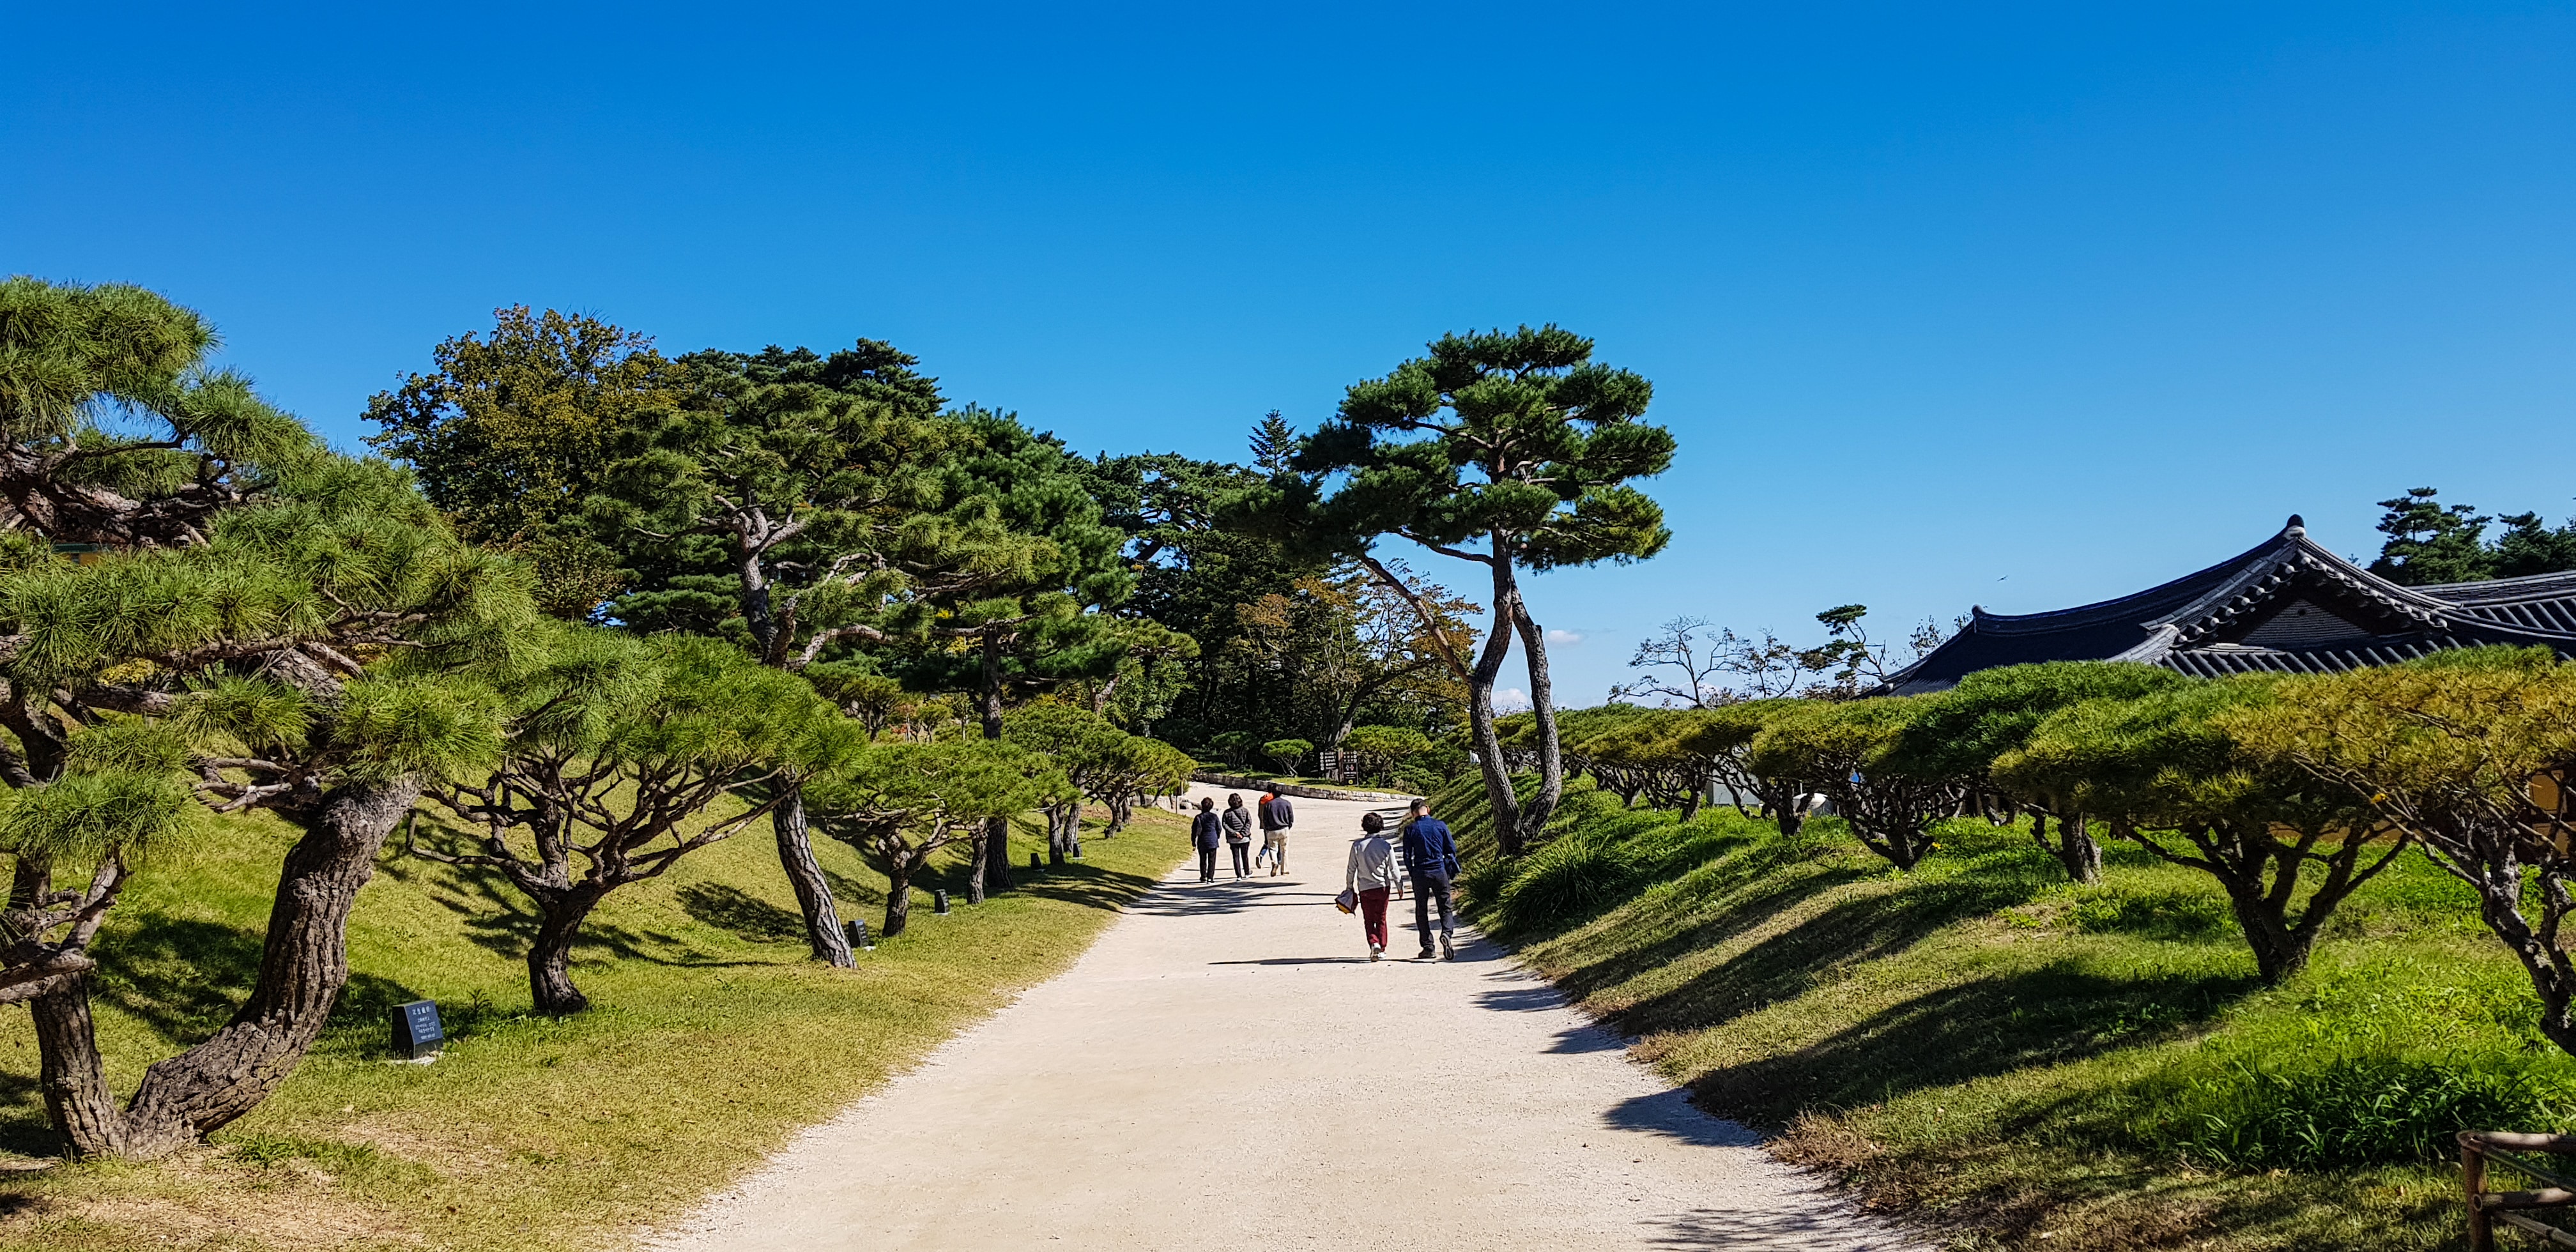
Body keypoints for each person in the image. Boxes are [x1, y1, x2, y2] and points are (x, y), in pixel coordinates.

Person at [1399, 797, 1460, 960]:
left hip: (1420, 872)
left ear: (1413, 814)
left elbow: (1406, 855)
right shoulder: (1440, 825)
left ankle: (1428, 947)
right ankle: (1447, 933)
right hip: (1439, 871)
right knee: (1445, 906)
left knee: (1422, 909)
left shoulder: (1411, 829)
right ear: (1428, 809)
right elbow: (1451, 849)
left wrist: (1412, 872)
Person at [1344, 811, 1400, 960]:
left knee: (1368, 919)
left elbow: (1351, 868)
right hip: (1382, 886)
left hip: (1365, 888)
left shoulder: (1357, 846)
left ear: (1364, 827)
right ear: (1381, 826)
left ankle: (1373, 942)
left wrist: (1349, 886)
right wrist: (1399, 885)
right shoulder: (1386, 846)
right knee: (1381, 917)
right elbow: (1394, 868)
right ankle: (1382, 947)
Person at [1256, 789, 1294, 876]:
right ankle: (1284, 870)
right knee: (1284, 850)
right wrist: (1289, 826)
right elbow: (1291, 817)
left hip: (1272, 830)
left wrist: (1267, 828)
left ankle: (1274, 863)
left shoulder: (1269, 805)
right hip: (1284, 828)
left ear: (1272, 794)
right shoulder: (1287, 803)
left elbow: (1265, 818)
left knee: (1273, 849)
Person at [1220, 793, 1255, 880]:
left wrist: (1235, 833)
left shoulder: (1227, 813)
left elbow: (1225, 825)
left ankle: (1238, 875)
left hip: (1233, 839)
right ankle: (1247, 872)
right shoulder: (1245, 811)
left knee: (1236, 857)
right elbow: (1249, 822)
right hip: (1245, 838)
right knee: (1245, 855)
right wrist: (1243, 833)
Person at [1190, 797, 1222, 883]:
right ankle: (1210, 877)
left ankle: (1203, 876)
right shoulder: (1214, 817)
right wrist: (1217, 837)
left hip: (1202, 841)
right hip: (1212, 841)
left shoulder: (1199, 818)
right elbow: (1219, 828)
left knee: (1203, 860)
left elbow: (1194, 830)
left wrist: (1193, 841)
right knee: (1212, 860)